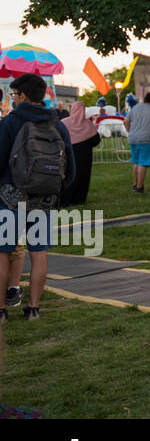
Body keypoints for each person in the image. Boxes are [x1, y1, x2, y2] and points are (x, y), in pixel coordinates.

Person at [0, 73, 76, 321]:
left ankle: (1, 310)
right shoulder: (57, 124)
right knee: (39, 252)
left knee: (3, 252)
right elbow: (71, 169)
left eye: (14, 95)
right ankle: (33, 308)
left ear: (22, 96)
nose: (13, 99)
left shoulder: (10, 123)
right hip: (43, 199)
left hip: (10, 197)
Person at [61, 103, 101, 207]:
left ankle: (66, 199)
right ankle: (80, 199)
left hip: (69, 156)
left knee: (68, 176)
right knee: (84, 177)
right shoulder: (88, 124)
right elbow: (96, 140)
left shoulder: (64, 123)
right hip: (85, 157)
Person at [125, 91, 150, 194]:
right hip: (147, 140)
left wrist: (130, 131)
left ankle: (135, 184)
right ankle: (139, 187)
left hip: (133, 138)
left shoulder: (135, 108)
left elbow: (125, 121)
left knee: (136, 162)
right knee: (143, 163)